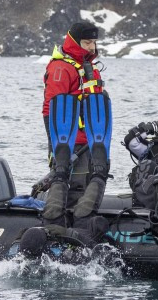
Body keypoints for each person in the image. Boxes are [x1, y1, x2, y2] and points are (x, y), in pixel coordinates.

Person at [40, 21, 109, 228]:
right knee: (73, 191)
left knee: (88, 187)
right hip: (70, 142)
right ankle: (63, 229)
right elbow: (50, 109)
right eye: (87, 42)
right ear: (75, 41)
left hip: (91, 141)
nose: (92, 47)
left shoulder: (88, 67)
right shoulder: (61, 69)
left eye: (94, 42)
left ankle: (83, 228)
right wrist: (56, 146)